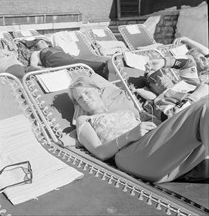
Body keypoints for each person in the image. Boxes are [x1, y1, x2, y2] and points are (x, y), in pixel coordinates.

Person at [68, 76, 208, 183]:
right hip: (129, 155)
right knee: (204, 107)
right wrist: (129, 135)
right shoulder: (83, 120)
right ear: (77, 104)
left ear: (98, 91)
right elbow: (100, 152)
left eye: (87, 92)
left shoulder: (124, 110)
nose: (85, 99)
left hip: (154, 151)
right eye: (79, 98)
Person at [30, 39, 109, 79]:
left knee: (78, 62)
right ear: (36, 46)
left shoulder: (56, 47)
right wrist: (44, 69)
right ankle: (105, 66)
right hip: (53, 60)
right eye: (40, 42)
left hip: (66, 58)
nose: (43, 42)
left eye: (43, 41)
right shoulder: (36, 53)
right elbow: (33, 65)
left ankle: (105, 71)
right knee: (77, 63)